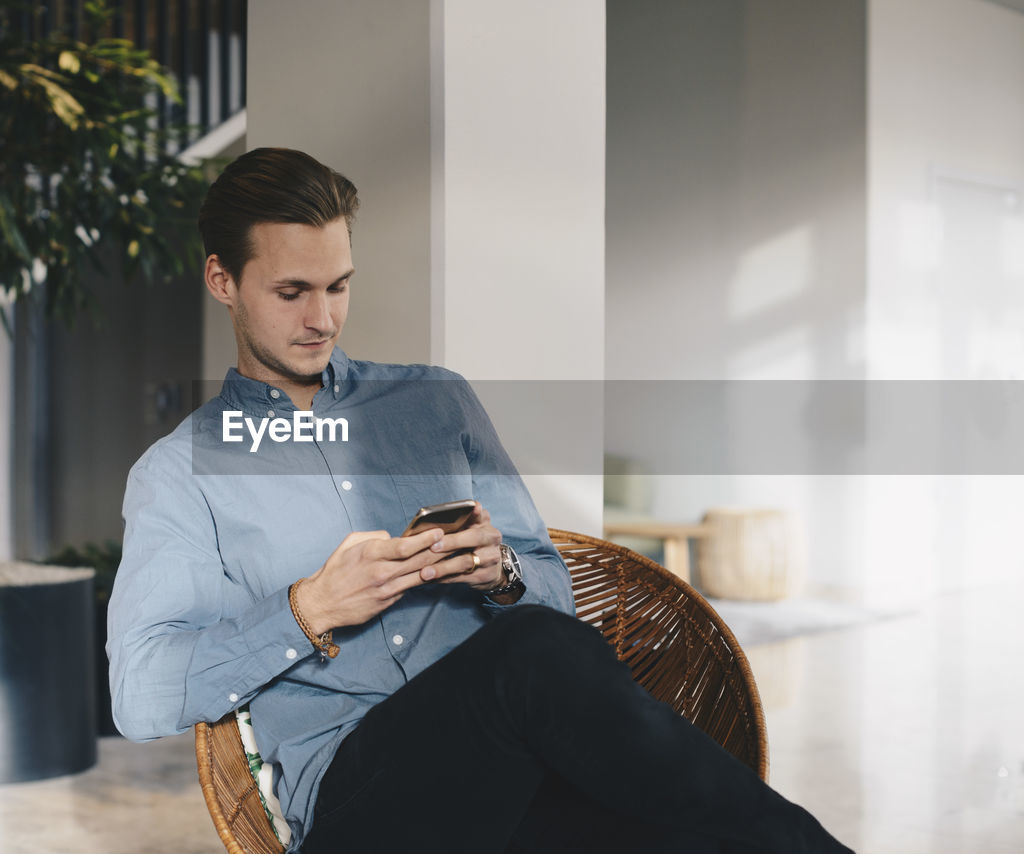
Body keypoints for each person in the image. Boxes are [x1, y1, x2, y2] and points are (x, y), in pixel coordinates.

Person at [107, 147, 852, 854]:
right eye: (292, 292)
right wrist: (310, 608)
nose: (323, 320)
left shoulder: (434, 401)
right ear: (222, 281)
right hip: (362, 803)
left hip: (516, 773)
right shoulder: (180, 475)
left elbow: (556, 596)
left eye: (338, 286)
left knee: (681, 837)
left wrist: (501, 573)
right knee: (527, 653)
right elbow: (139, 696)